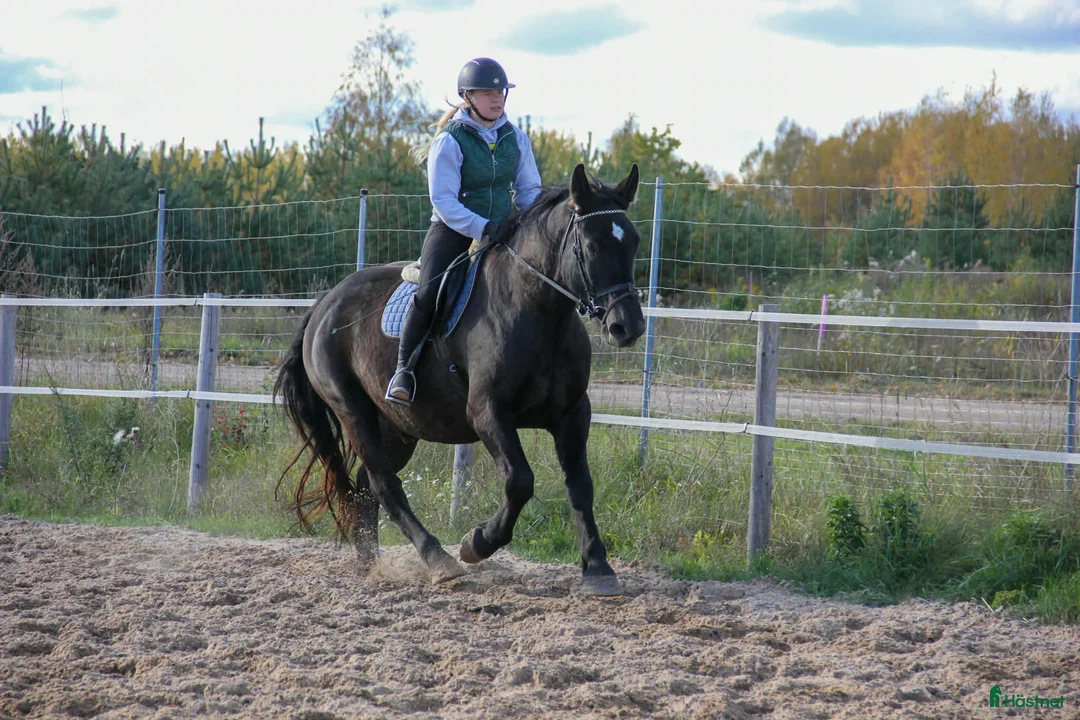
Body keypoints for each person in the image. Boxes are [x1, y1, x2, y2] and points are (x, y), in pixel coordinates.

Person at [385, 57, 542, 406]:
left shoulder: (515, 138)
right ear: (468, 97)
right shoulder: (449, 141)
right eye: (487, 92)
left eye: (500, 91)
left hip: (504, 230)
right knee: (430, 290)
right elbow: (443, 199)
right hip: (454, 229)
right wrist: (482, 226)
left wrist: (535, 222)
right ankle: (404, 371)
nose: (497, 98)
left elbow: (529, 190)